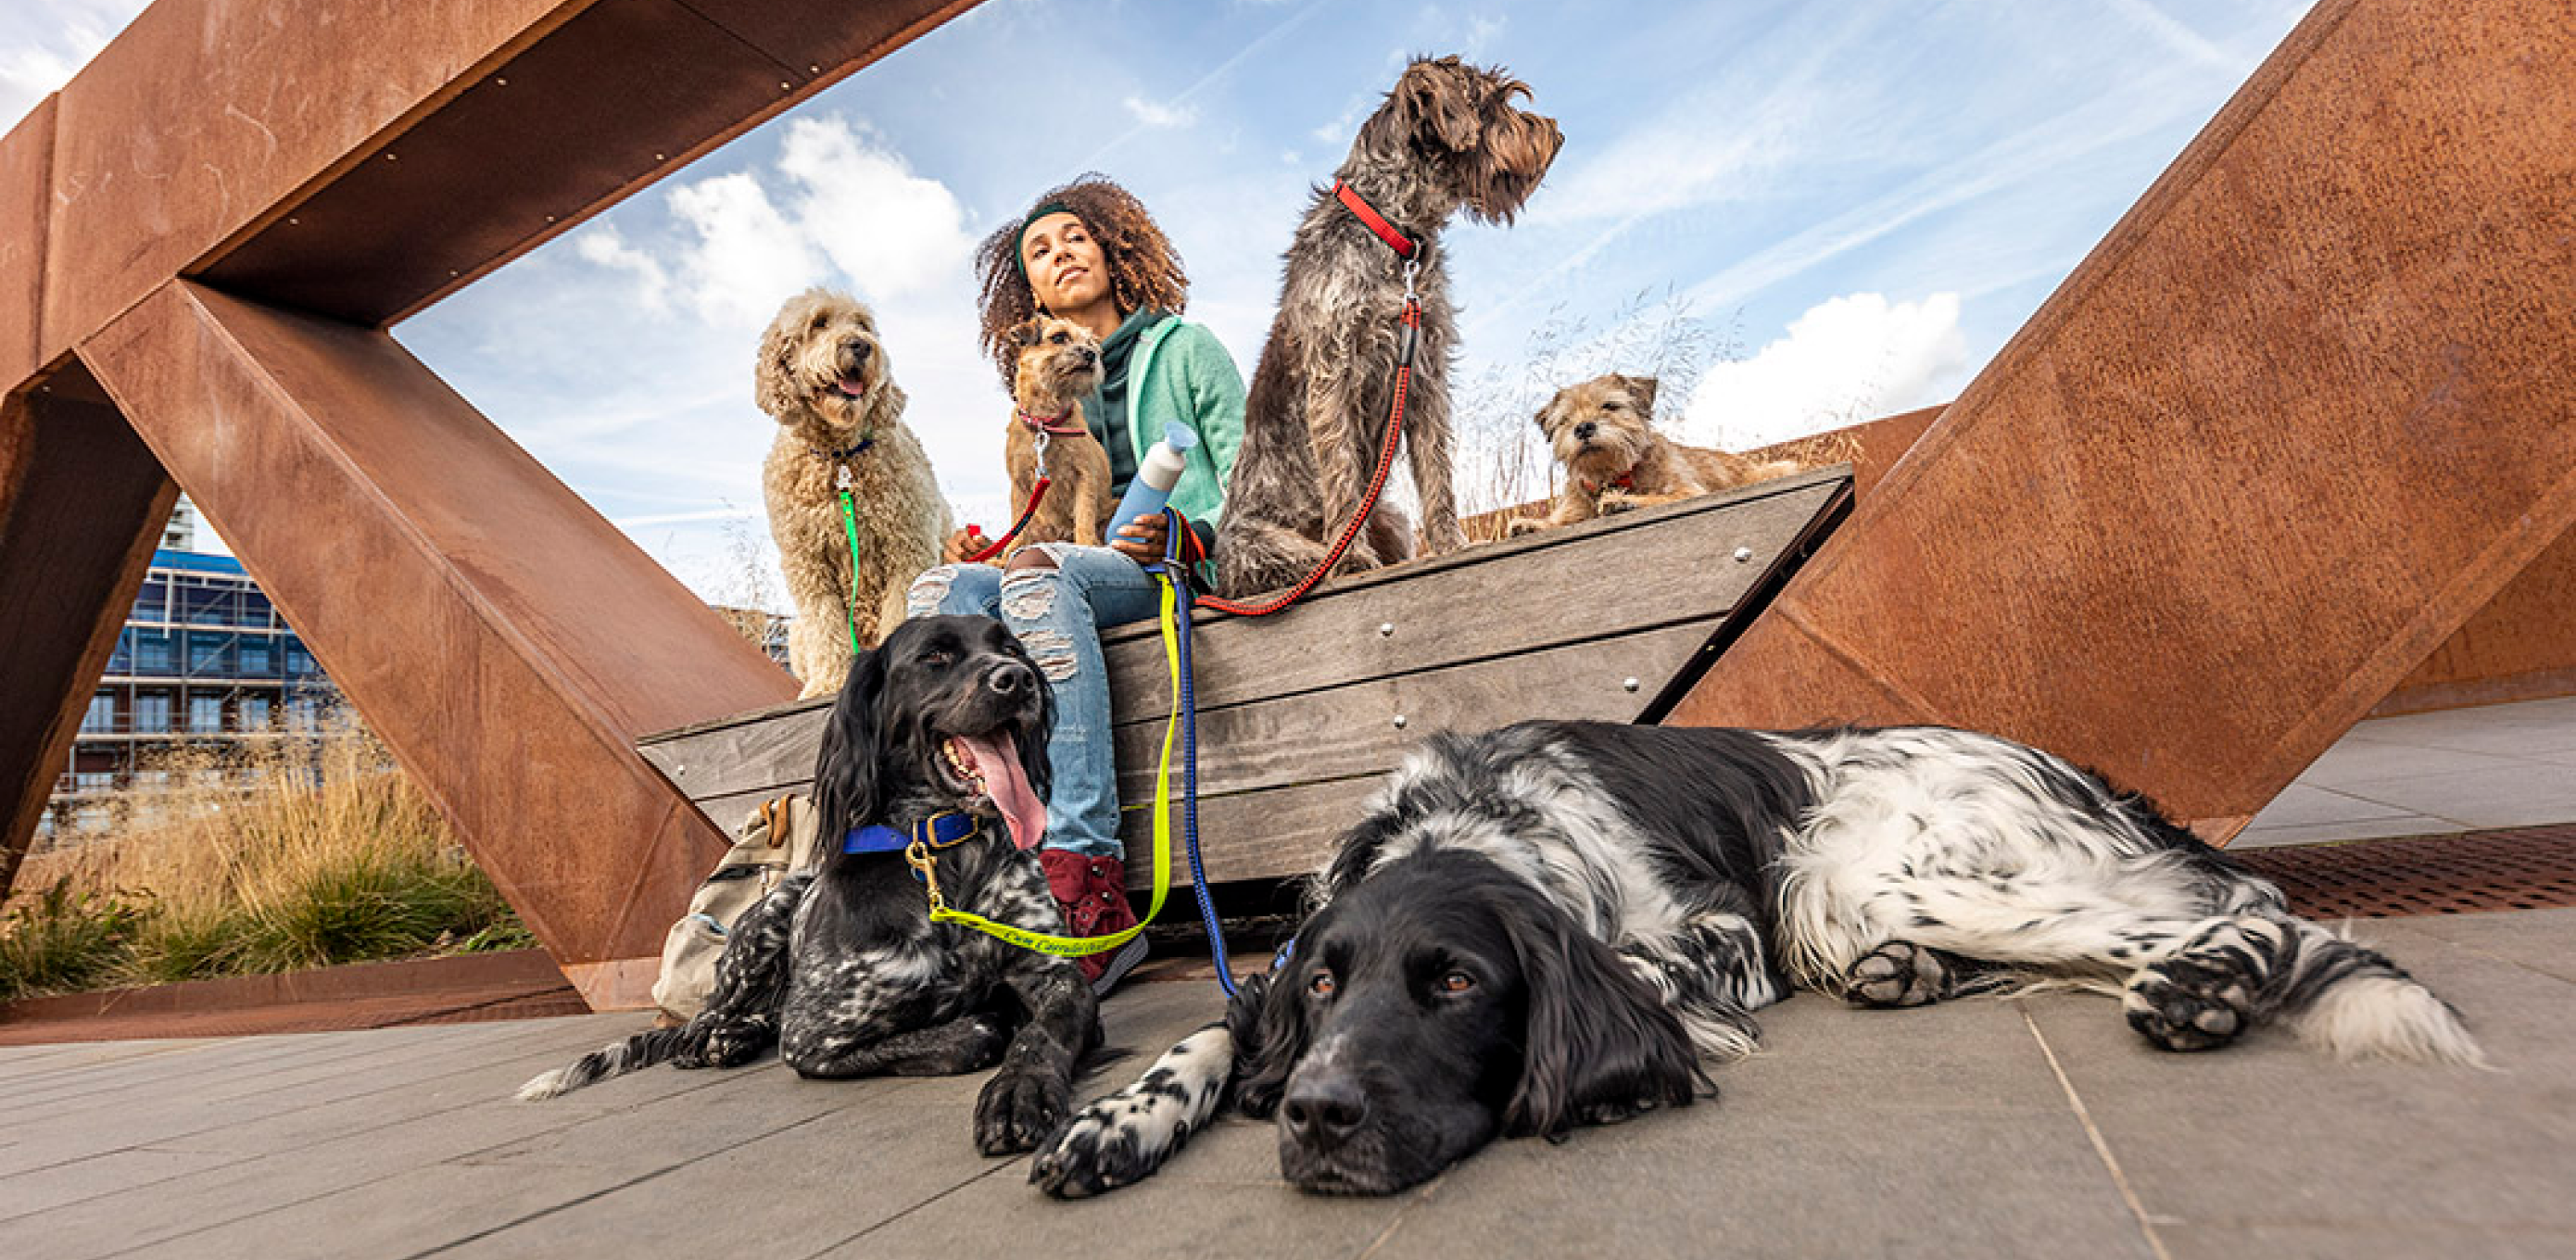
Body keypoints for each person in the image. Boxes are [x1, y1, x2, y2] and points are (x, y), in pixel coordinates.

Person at [903, 175, 1244, 994]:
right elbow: (1037, 519)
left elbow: (1254, 472)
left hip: (1173, 560)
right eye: (1040, 253)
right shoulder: (1037, 407)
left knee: (1037, 575)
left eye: (1075, 239)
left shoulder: (1186, 349)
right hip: (1070, 563)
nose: (1061, 256)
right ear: (1029, 294)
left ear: (1113, 248)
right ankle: (979, 868)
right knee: (944, 593)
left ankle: (1084, 888)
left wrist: (1192, 528)